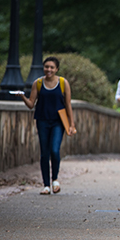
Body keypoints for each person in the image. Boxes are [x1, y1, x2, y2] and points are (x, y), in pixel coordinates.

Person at [18, 56, 76, 195]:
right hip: (42, 121)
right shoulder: (37, 83)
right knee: (44, 153)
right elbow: (31, 105)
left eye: (52, 67)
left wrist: (71, 124)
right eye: (46, 67)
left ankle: (55, 180)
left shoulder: (63, 83)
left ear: (56, 69)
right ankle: (46, 185)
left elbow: (68, 104)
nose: (48, 69)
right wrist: (23, 97)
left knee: (54, 150)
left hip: (58, 122)